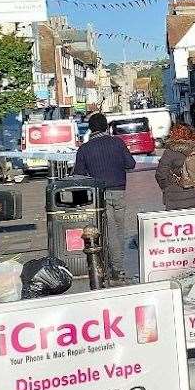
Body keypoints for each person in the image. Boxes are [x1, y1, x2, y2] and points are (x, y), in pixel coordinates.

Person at [72, 111, 136, 282]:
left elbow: (78, 174)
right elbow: (131, 164)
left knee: (108, 231)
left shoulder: (84, 149)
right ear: (106, 127)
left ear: (90, 129)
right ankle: (118, 268)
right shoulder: (117, 143)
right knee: (119, 230)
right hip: (119, 192)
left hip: (98, 195)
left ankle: (112, 267)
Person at [155, 123, 195, 210]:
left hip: (176, 196)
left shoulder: (170, 151)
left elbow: (160, 174)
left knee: (178, 223)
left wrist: (167, 187)